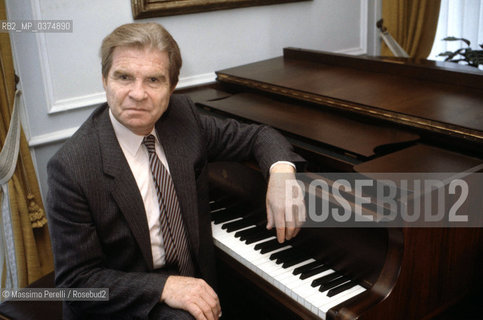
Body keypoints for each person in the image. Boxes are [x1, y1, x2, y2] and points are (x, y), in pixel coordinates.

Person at [46, 22, 305, 320]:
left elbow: (258, 136)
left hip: (195, 278)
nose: (138, 93)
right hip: (127, 302)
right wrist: (164, 287)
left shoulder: (183, 119)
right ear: (104, 79)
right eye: (124, 77)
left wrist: (282, 173)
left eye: (153, 80)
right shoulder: (72, 167)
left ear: (171, 86)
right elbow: (77, 283)